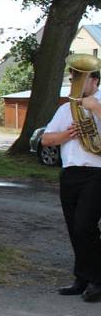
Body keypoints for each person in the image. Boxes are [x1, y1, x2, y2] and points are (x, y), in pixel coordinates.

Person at [42, 63, 101, 303]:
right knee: (74, 228)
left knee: (84, 226)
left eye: (80, 77)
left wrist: (95, 107)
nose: (74, 81)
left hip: (97, 172)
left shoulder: (98, 103)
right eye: (73, 76)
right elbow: (46, 139)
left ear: (94, 81)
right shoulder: (67, 108)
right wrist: (68, 135)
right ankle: (83, 279)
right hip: (70, 173)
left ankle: (97, 279)